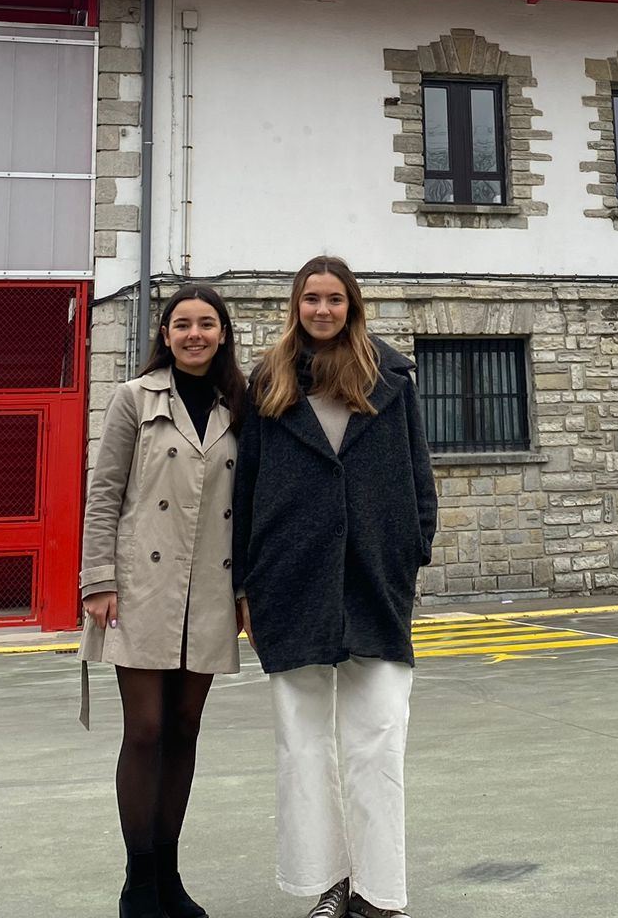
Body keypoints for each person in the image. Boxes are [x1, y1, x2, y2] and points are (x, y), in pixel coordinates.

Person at [233, 255, 438, 918]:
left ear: (352, 306)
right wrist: (245, 580)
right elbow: (248, 486)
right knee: (301, 741)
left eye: (334, 299)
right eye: (311, 299)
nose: (322, 310)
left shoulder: (392, 378)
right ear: (296, 306)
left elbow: (417, 474)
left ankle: (379, 892)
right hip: (288, 577)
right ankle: (328, 882)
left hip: (375, 577)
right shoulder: (267, 382)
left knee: (377, 736)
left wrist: (410, 551)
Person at [80, 283, 250, 918]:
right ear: (167, 333)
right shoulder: (134, 397)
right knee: (146, 731)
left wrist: (245, 590)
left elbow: (251, 506)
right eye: (183, 324)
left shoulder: (243, 404)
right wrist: (97, 579)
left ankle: (171, 879)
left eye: (207, 324)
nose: (195, 334)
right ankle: (139, 883)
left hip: (209, 586)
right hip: (141, 587)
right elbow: (105, 492)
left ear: (223, 333)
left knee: (185, 729)